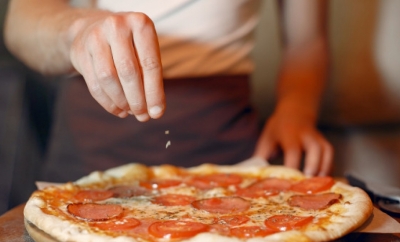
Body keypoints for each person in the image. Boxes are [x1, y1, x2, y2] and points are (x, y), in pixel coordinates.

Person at [4, 0, 333, 183]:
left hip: (228, 157)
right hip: (86, 150)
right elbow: (20, 23)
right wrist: (78, 31)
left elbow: (306, 42)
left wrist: (296, 111)